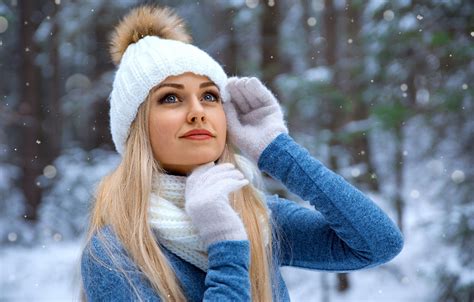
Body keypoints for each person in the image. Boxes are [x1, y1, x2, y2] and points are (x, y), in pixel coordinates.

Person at [80, 4, 404, 302]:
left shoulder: (253, 214)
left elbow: (378, 243)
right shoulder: (113, 254)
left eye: (209, 96)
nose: (197, 112)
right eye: (170, 99)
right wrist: (226, 245)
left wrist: (276, 150)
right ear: (136, 129)